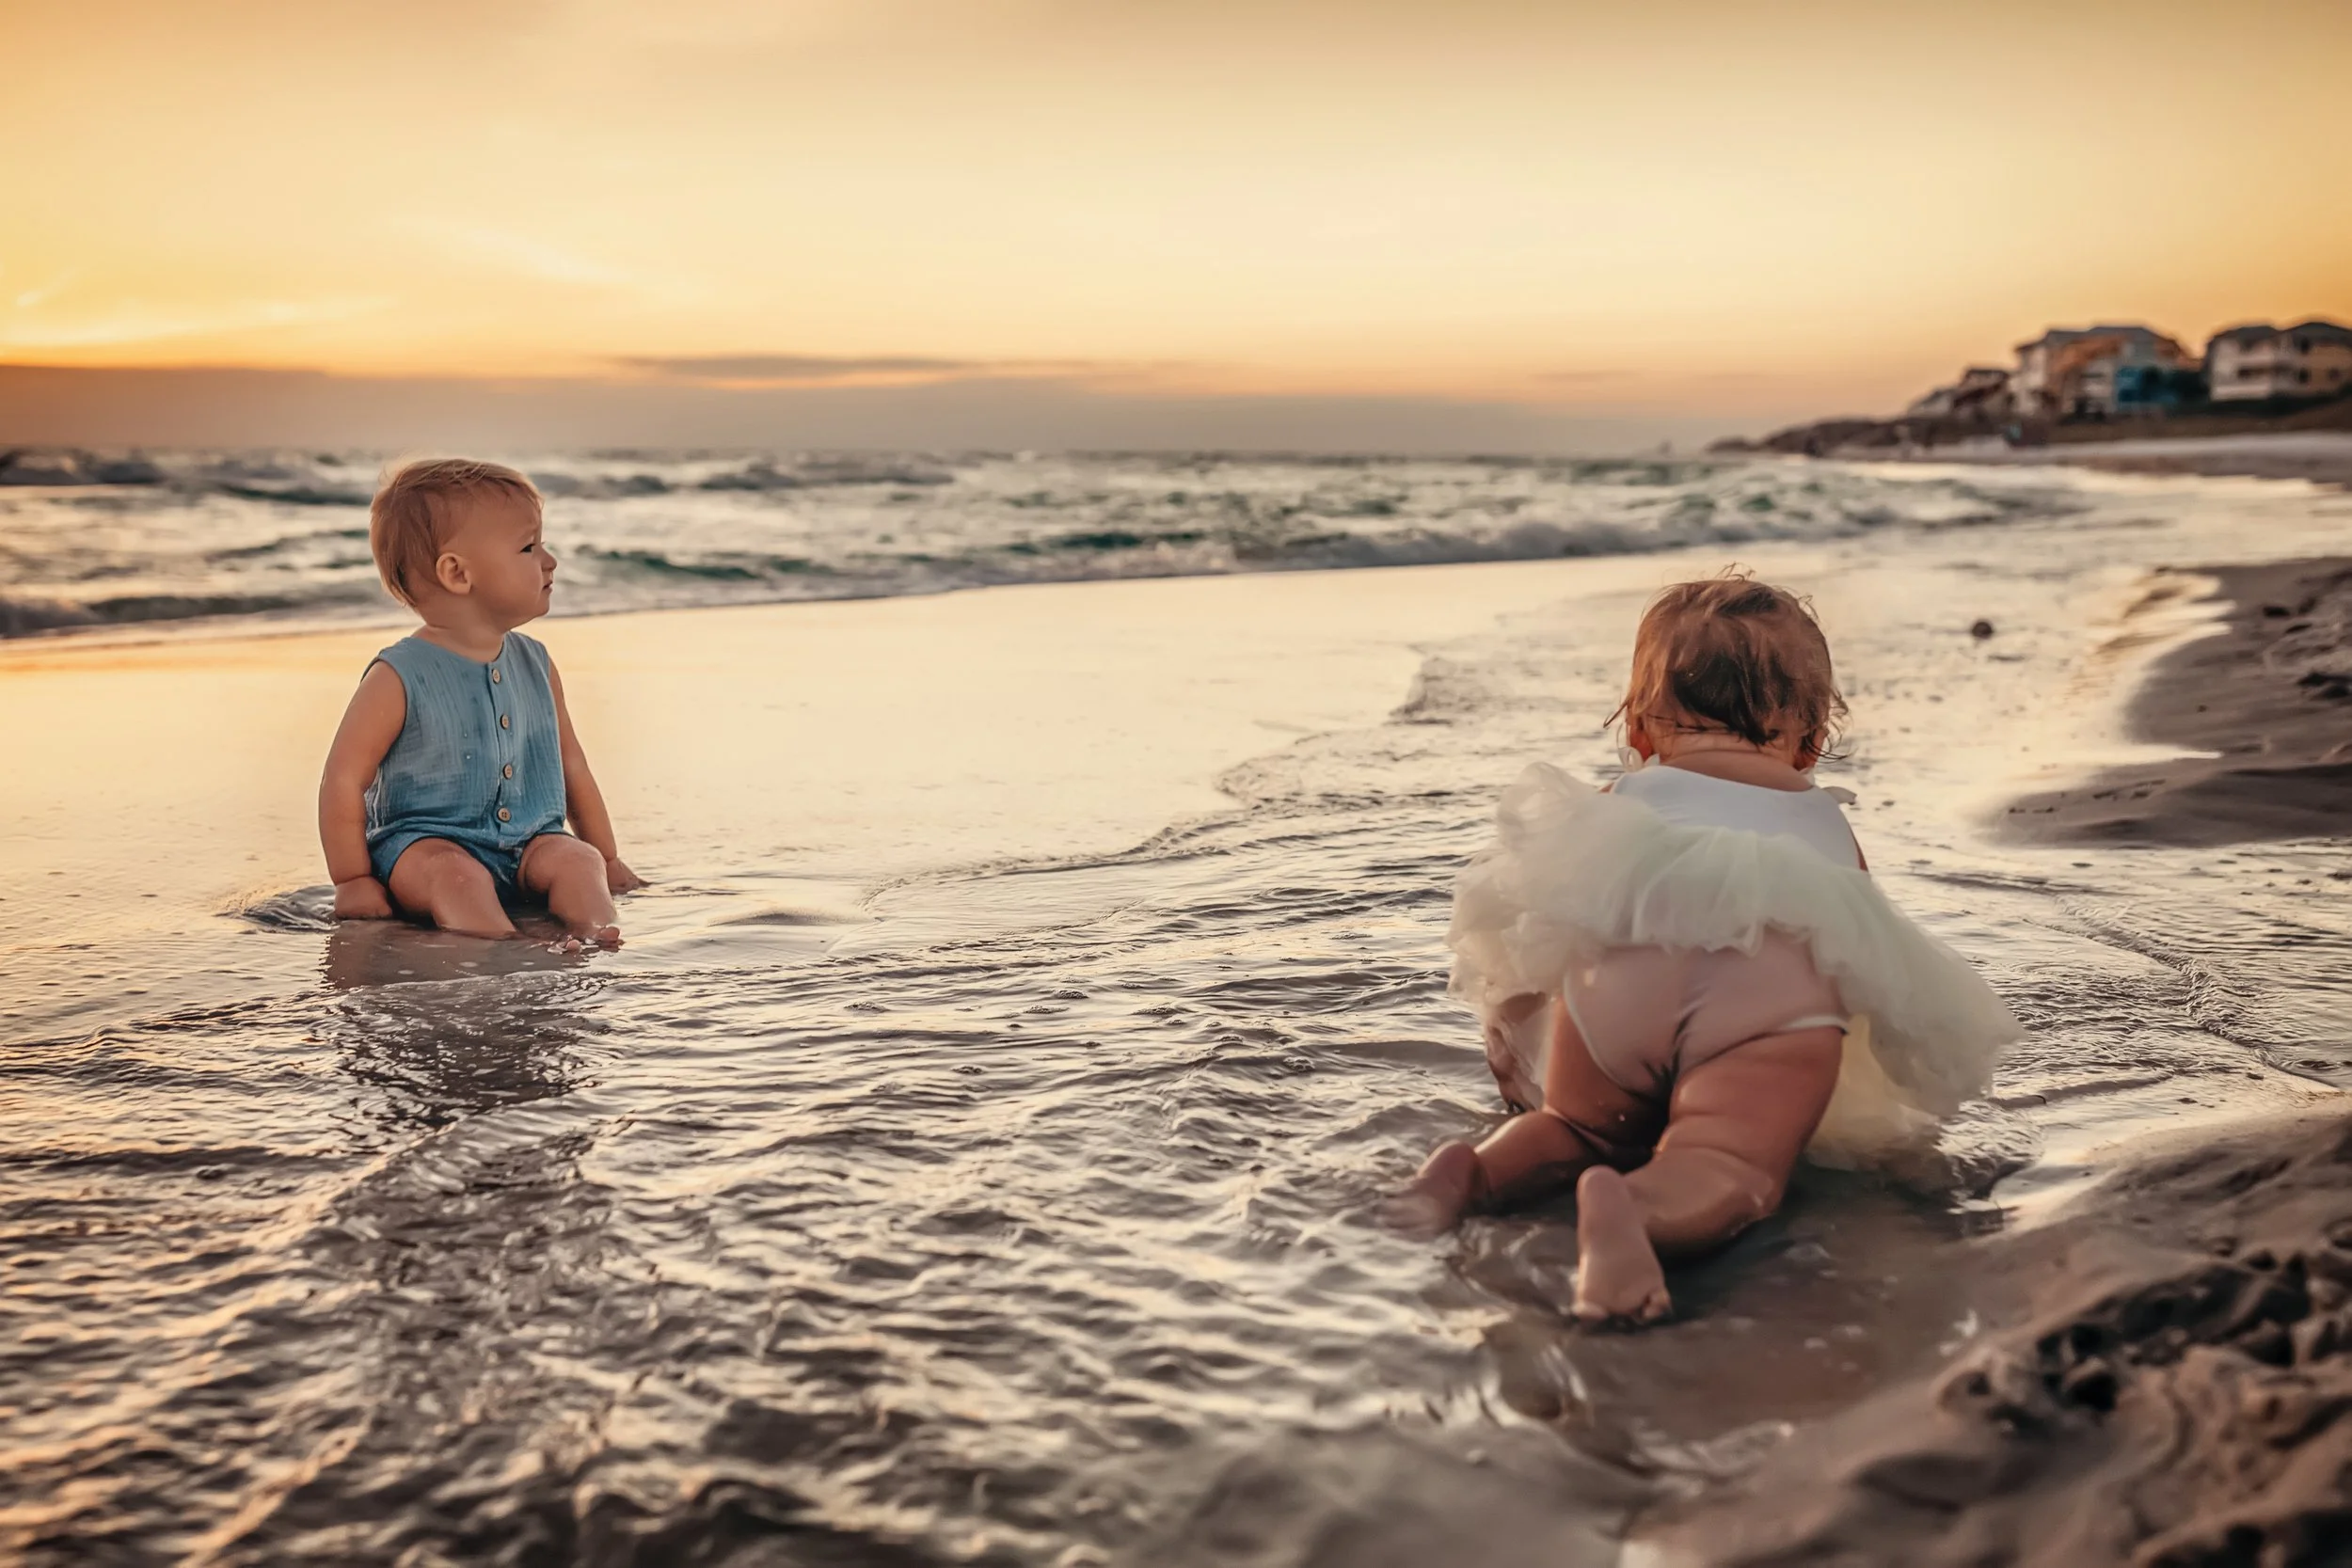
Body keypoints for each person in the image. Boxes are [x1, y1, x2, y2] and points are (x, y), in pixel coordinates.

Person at [1394, 573, 2016, 1323]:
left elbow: (1530, 917)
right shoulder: (1817, 817)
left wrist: (1510, 1029)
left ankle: (1470, 1175)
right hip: (1753, 1008)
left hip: (1614, 997)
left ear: (1640, 731)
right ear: (1812, 740)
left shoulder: (1618, 807)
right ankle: (1634, 1213)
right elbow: (1862, 948)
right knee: (1729, 1161)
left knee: (1576, 1127)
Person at [318, 458, 642, 944]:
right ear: (457, 573)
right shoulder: (398, 675)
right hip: (423, 850)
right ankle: (503, 949)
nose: (549, 561)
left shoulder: (537, 663)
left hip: (530, 842)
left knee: (578, 861)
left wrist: (606, 856)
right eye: (529, 547)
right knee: (457, 877)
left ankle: (597, 935)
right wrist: (352, 880)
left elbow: (572, 765)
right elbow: (344, 778)